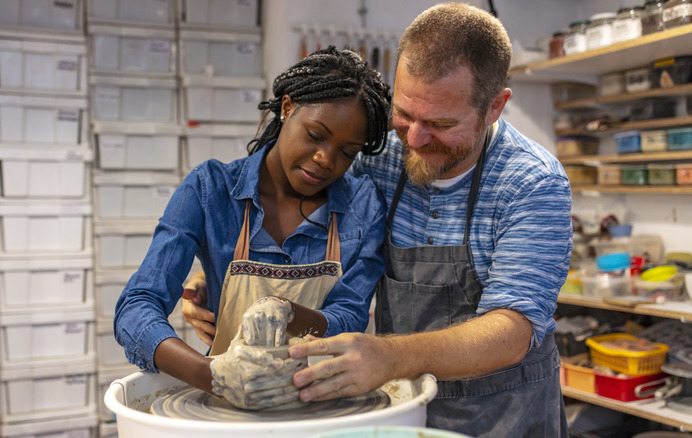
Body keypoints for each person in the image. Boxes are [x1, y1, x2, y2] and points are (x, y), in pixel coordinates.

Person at [184, 3, 572, 436]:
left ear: (495, 107)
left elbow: (512, 330)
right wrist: (223, 268)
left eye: (440, 123)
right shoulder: (380, 158)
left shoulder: (533, 183)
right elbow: (303, 217)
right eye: (404, 114)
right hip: (400, 409)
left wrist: (389, 356)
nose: (416, 139)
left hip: (504, 414)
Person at [113, 46, 392, 410]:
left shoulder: (362, 206)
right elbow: (137, 307)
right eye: (316, 135)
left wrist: (288, 312)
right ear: (287, 108)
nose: (326, 159)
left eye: (347, 152)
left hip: (320, 404)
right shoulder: (210, 190)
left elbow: (350, 315)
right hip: (226, 407)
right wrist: (211, 376)